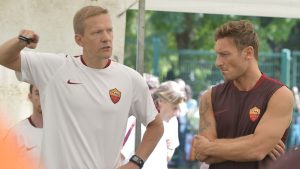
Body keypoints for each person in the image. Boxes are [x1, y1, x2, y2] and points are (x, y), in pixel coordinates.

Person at [0, 5, 164, 169]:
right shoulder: (55, 67)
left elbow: (156, 126)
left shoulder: (130, 79)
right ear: (79, 40)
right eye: (97, 32)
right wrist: (21, 41)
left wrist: (135, 163)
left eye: (109, 30)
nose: (106, 37)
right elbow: (4, 57)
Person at [193, 20, 294, 169]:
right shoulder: (209, 97)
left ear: (248, 53)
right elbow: (202, 154)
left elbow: (257, 150)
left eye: (225, 54)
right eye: (217, 55)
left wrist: (210, 146)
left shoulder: (279, 94)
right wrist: (252, 144)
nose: (218, 62)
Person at [143, 81, 185, 169]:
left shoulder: (172, 121)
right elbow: (121, 157)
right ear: (160, 101)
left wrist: (169, 149)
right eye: (175, 108)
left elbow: (167, 156)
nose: (177, 114)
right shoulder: (140, 121)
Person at [5, 84, 42, 169]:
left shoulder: (62, 132)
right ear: (30, 96)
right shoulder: (16, 133)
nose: (42, 98)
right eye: (38, 93)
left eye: (45, 93)